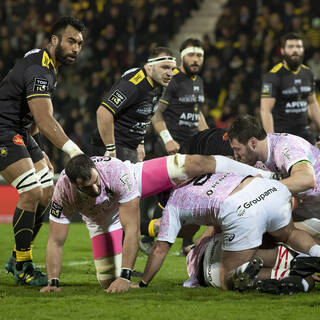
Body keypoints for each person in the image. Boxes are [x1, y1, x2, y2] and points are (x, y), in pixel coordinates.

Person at [39, 153, 274, 293]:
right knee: (107, 283)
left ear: (96, 170)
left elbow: (131, 229)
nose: (94, 189)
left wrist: (126, 276)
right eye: (86, 187)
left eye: (94, 182)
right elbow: (56, 241)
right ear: (73, 184)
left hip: (133, 182)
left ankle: (262, 174)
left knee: (191, 163)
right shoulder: (62, 193)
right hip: (99, 221)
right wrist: (53, 282)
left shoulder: (114, 171)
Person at [0, 16, 85, 286]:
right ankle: (24, 266)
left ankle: (17, 256)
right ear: (53, 40)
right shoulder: (39, 70)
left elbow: (35, 119)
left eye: (80, 43)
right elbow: (46, 119)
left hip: (22, 132)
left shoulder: (47, 64)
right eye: (71, 41)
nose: (76, 48)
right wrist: (74, 151)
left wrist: (40, 151)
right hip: (3, 129)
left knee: (47, 192)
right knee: (31, 192)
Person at [138, 172, 320, 291]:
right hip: (268, 188)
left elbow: (160, 249)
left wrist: (142, 283)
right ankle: (311, 257)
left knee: (229, 278)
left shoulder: (174, 203)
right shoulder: (205, 171)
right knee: (288, 235)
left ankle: (293, 277)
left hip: (232, 221)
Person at [227, 114, 320, 237]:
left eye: (237, 149)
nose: (236, 155)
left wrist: (266, 189)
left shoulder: (285, 148)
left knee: (271, 233)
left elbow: (307, 180)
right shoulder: (258, 156)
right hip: (308, 208)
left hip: (313, 207)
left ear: (253, 142)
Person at [90, 47, 176, 162]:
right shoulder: (133, 84)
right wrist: (111, 150)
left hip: (129, 146)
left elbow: (143, 112)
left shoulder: (160, 82)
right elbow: (103, 112)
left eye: (172, 69)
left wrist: (140, 143)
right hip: (113, 144)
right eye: (164, 67)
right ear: (149, 67)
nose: (170, 73)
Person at [184, 227, 318, 294]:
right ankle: (298, 272)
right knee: (307, 280)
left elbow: (214, 227)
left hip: (210, 271)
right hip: (221, 257)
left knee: (271, 248)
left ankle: (296, 265)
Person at [260, 32, 320, 145]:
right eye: (291, 47)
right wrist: (272, 141)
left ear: (303, 49)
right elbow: (265, 110)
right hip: (283, 135)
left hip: (305, 134)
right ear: (282, 51)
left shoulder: (308, 73)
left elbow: (312, 103)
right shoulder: (273, 76)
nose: (295, 50)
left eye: (298, 46)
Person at [152, 38, 208, 156]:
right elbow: (155, 110)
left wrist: (209, 137)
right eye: (191, 55)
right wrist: (167, 140)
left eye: (199, 55)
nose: (195, 60)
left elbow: (196, 112)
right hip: (171, 147)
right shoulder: (171, 78)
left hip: (191, 147)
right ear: (182, 56)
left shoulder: (199, 81)